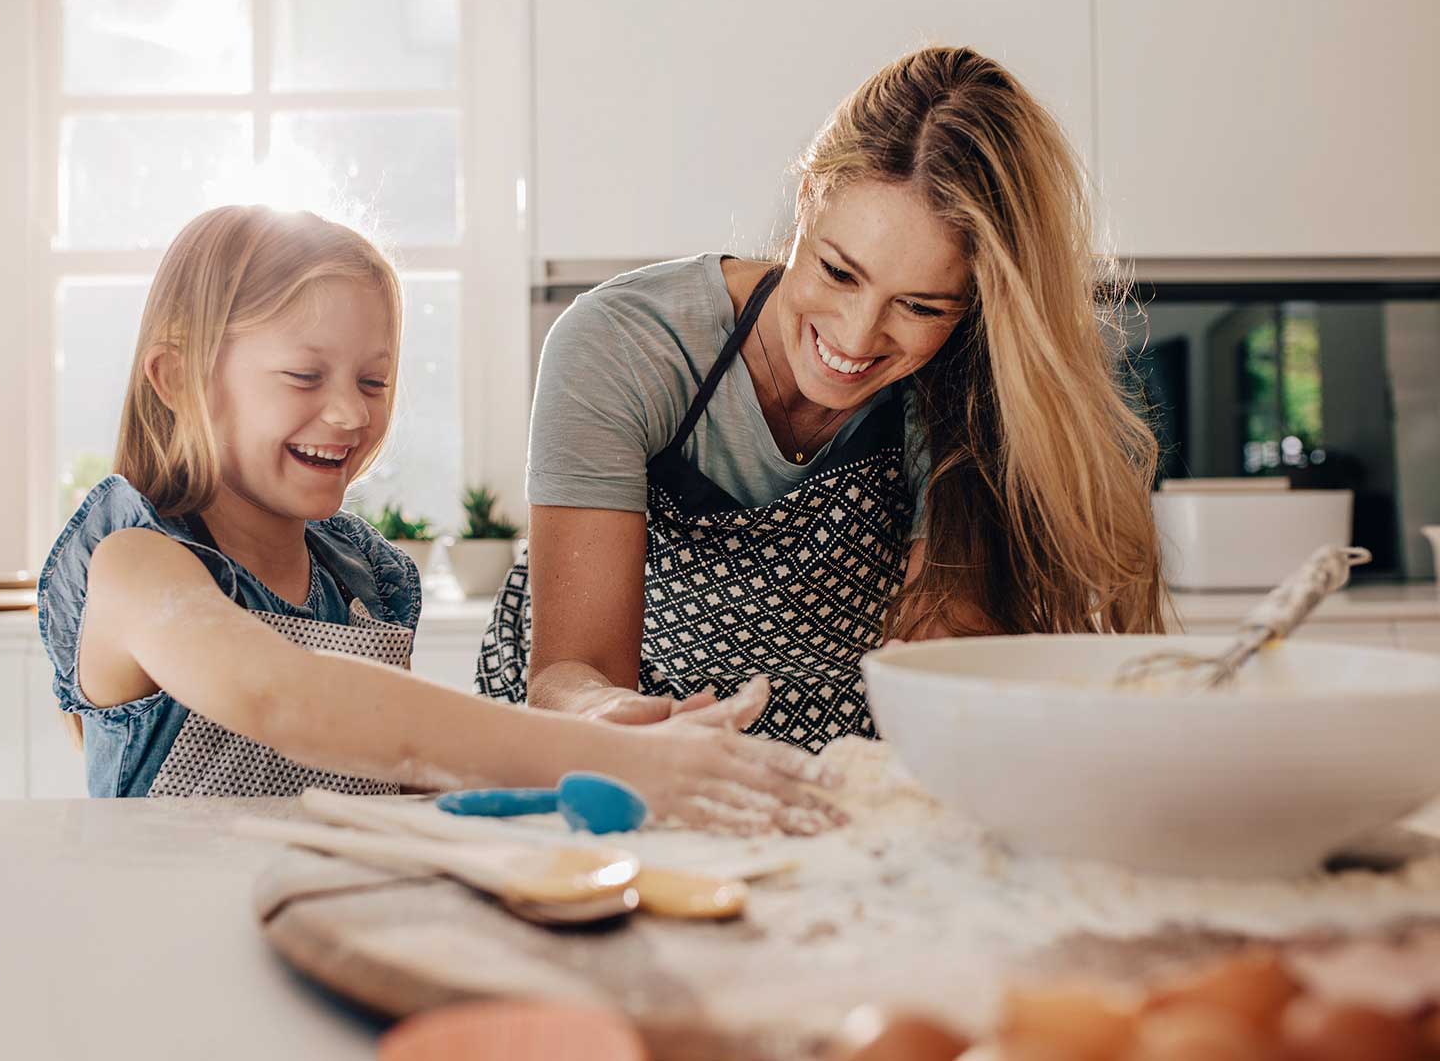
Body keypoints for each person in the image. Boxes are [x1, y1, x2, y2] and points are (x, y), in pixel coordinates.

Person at [36, 205, 841, 835]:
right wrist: (611, 756)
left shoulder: (364, 582)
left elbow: (395, 767)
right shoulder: (135, 564)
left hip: (324, 942)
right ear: (177, 377)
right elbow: (283, 695)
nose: (349, 411)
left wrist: (605, 744)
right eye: (304, 374)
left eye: (375, 380)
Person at [477, 47, 1165, 753]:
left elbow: (940, 646)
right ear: (808, 198)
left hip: (828, 765)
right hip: (581, 754)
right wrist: (624, 725)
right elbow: (573, 670)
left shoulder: (966, 393)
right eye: (839, 272)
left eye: (920, 306)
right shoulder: (624, 345)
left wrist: (947, 691)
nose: (857, 336)